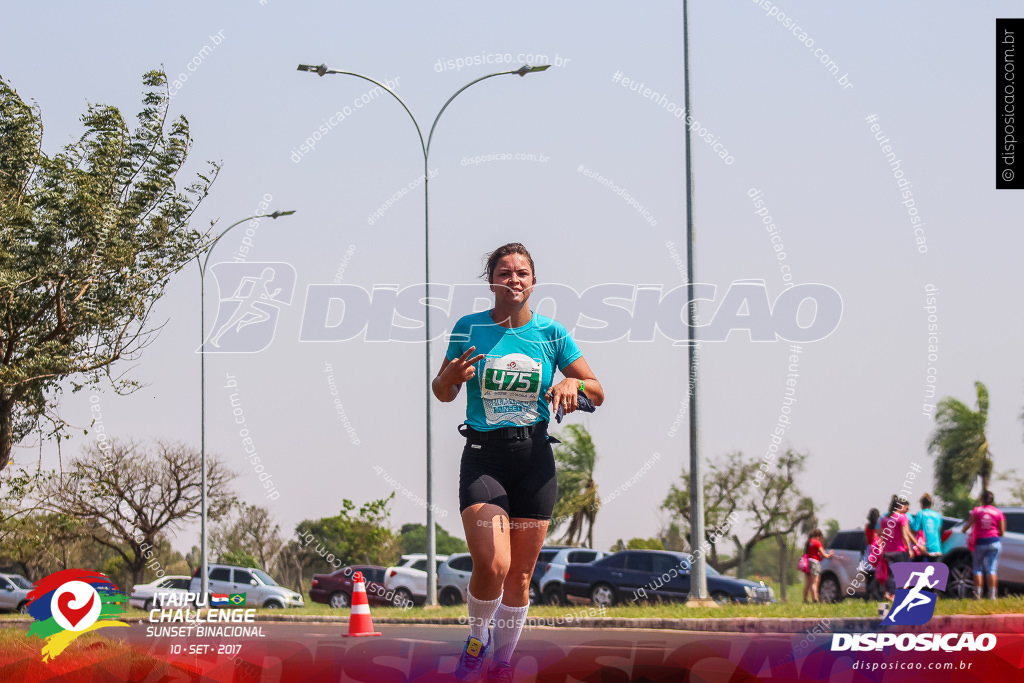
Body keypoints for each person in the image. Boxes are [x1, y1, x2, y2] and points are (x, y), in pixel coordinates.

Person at [433, 243, 604, 682]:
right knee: (493, 564)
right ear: (491, 281)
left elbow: (597, 391)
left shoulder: (552, 334)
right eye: (504, 272)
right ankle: (476, 640)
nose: (514, 279)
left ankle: (503, 664)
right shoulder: (468, 328)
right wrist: (449, 378)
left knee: (521, 577)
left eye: (522, 273)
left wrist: (572, 384)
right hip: (484, 459)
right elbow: (443, 390)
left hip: (535, 460)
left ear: (534, 281)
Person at [961, 490, 1006, 600]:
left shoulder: (976, 511)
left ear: (982, 499)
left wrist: (965, 530)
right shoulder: (998, 512)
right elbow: (1002, 532)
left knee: (978, 569)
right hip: (994, 542)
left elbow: (966, 526)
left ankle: (977, 595)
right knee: (992, 569)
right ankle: (992, 596)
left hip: (980, 543)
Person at [877, 495, 916, 600]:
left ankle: (888, 593)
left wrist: (884, 550)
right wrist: (910, 548)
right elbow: (904, 534)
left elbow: (881, 535)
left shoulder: (885, 519)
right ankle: (894, 594)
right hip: (900, 550)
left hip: (888, 551)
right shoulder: (902, 517)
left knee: (891, 574)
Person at [910, 493, 944, 563]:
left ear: (921, 504)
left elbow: (915, 529)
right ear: (931, 504)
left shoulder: (920, 513)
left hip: (922, 547)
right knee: (934, 571)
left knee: (916, 569)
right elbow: (938, 530)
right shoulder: (938, 515)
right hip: (935, 547)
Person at [802, 528, 833, 603]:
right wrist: (830, 555)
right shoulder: (817, 543)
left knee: (808, 583)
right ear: (818, 536)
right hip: (814, 563)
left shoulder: (809, 543)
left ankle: (805, 599)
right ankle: (815, 599)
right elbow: (824, 554)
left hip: (807, 562)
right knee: (814, 582)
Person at [862, 508, 882, 600]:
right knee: (876, 577)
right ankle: (876, 595)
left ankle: (867, 596)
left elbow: (866, 539)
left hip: (868, 551)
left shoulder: (867, 527)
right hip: (876, 551)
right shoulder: (878, 527)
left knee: (868, 577)